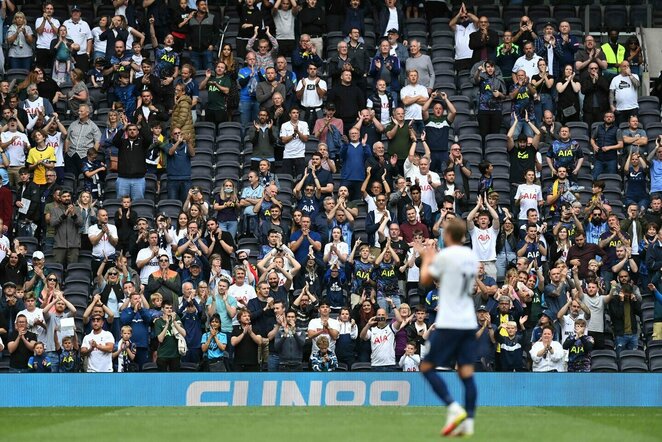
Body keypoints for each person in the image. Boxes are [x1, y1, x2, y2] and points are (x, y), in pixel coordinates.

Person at [419, 218, 479, 437]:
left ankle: (453, 408)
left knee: (426, 367)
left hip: (449, 322)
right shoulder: (472, 257)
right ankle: (469, 422)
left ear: (447, 235)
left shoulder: (445, 256)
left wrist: (427, 256)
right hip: (468, 322)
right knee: (466, 373)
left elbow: (425, 278)